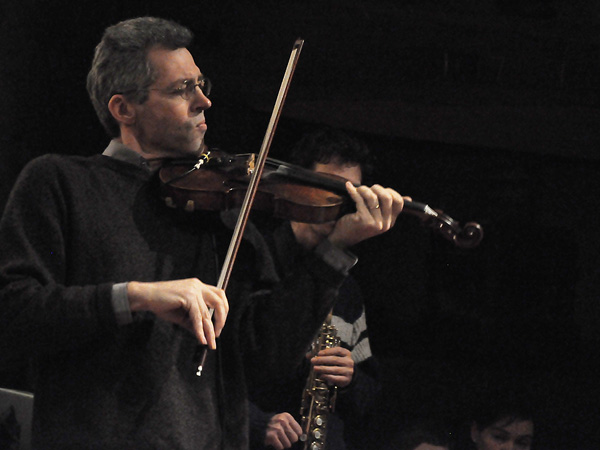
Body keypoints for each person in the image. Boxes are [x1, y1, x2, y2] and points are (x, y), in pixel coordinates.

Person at [0, 17, 406, 449]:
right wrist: (137, 296)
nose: (204, 102)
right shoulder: (59, 182)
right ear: (123, 109)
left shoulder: (223, 210)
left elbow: (265, 356)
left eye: (201, 84)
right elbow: (12, 312)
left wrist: (335, 251)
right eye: (181, 90)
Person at [248, 128, 385, 450]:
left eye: (351, 194)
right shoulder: (254, 259)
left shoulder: (346, 285)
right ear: (296, 188)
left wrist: (350, 379)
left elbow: (368, 397)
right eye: (327, 188)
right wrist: (254, 421)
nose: (339, 204)